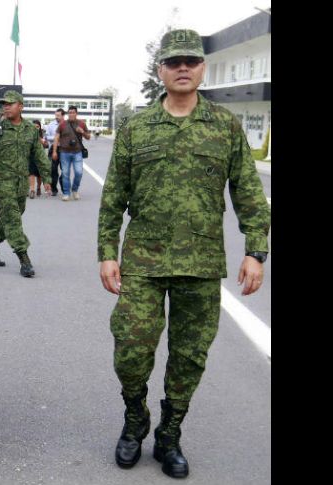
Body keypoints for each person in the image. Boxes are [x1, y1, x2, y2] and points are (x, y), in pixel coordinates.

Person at [97, 29, 271, 479]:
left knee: (189, 356)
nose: (182, 68)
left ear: (201, 69)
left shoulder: (224, 126)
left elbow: (248, 193)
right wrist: (106, 251)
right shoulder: (137, 127)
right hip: (143, 264)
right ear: (161, 70)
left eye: (190, 62)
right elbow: (113, 195)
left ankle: (170, 434)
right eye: (173, 62)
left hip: (200, 264)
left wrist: (256, 251)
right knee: (131, 351)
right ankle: (135, 420)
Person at [0, 91, 51, 277]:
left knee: (10, 218)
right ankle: (24, 259)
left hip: (20, 184)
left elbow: (39, 155)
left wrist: (47, 179)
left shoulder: (30, 130)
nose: (6, 106)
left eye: (10, 103)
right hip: (2, 184)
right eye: (4, 104)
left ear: (21, 106)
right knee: (13, 221)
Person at [53, 105, 90, 201]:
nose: (71, 114)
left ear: (76, 113)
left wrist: (82, 132)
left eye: (73, 112)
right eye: (69, 112)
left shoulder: (82, 123)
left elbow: (88, 137)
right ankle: (66, 193)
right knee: (65, 173)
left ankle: (75, 189)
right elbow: (56, 138)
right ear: (68, 114)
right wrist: (54, 152)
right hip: (64, 152)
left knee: (79, 172)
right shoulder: (62, 124)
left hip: (77, 152)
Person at [44, 109, 65, 196]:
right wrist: (56, 137)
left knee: (65, 170)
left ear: (63, 116)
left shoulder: (67, 125)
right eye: (55, 115)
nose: (56, 117)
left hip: (65, 149)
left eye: (58, 115)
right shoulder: (51, 125)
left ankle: (65, 188)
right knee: (52, 169)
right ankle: (54, 189)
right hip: (53, 148)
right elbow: (47, 137)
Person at [27, 120, 46, 198]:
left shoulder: (42, 134)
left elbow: (45, 143)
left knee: (39, 175)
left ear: (40, 127)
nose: (35, 128)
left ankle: (38, 187)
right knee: (31, 173)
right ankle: (32, 190)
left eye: (37, 127)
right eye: (34, 127)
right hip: (30, 156)